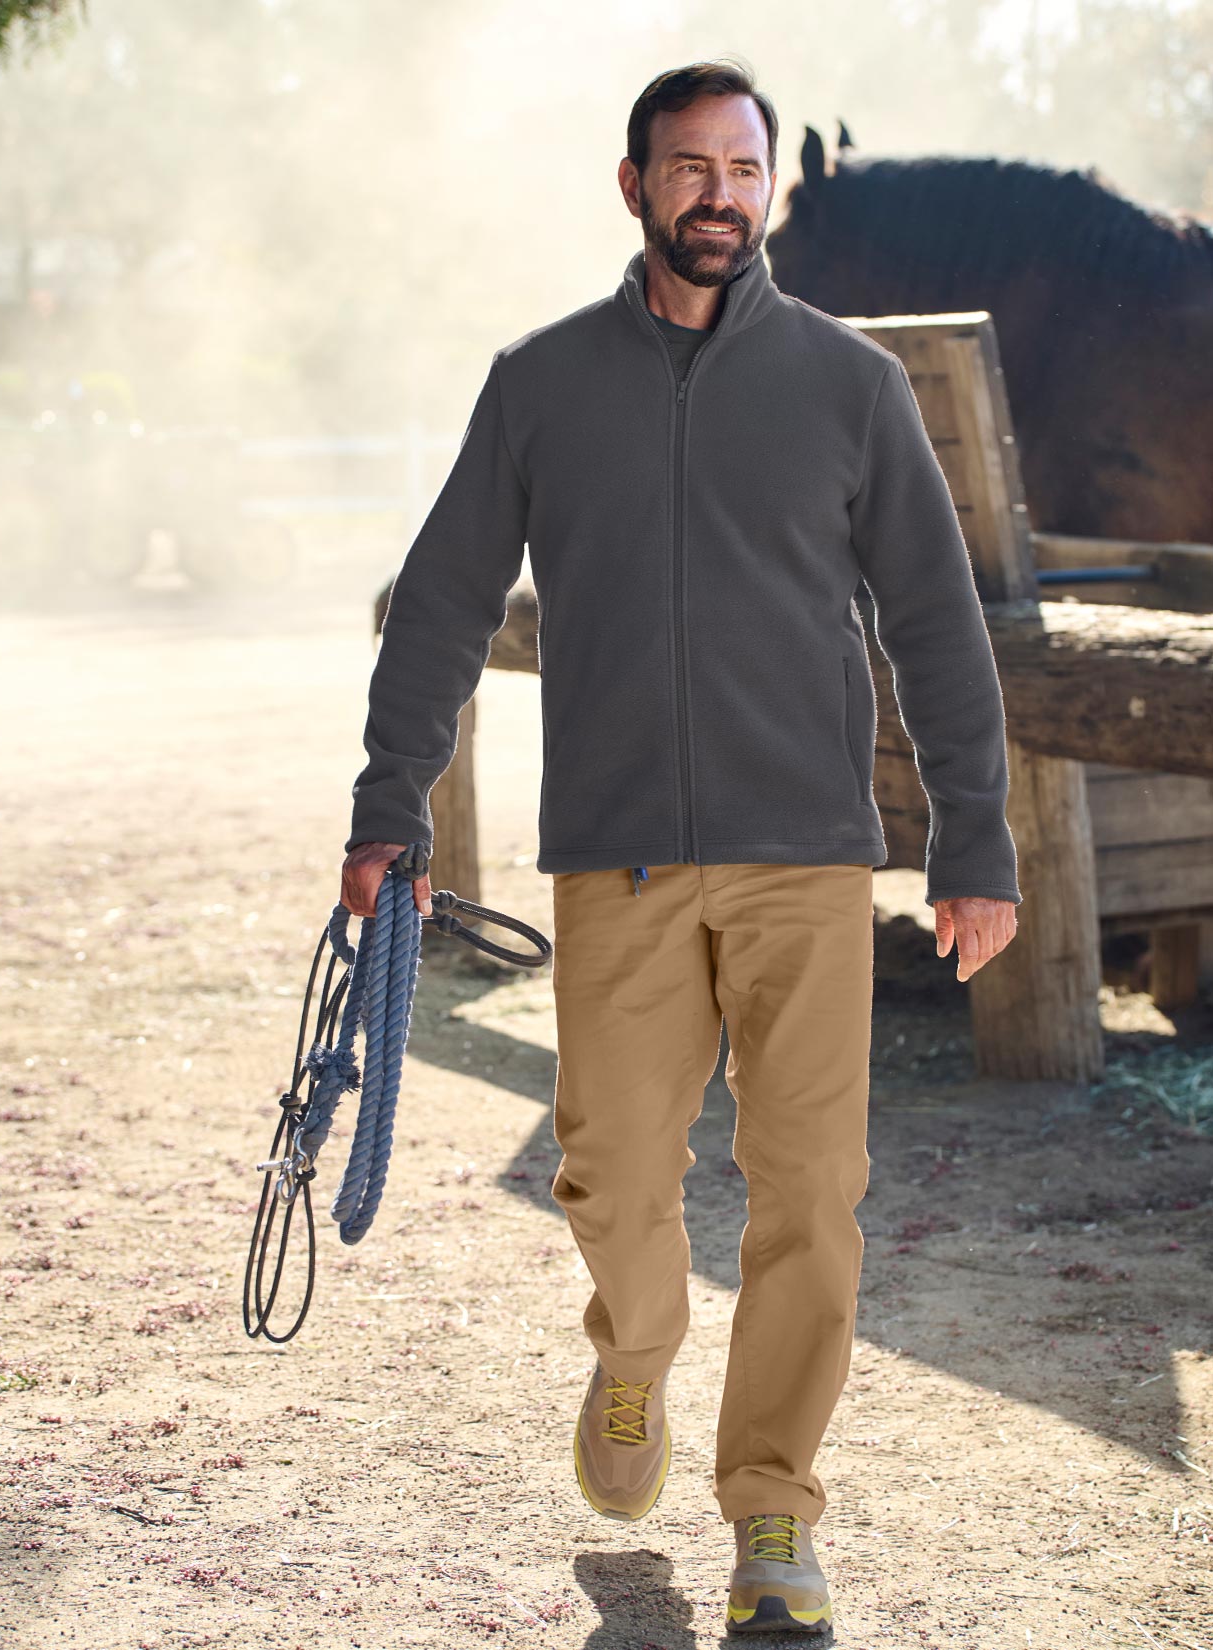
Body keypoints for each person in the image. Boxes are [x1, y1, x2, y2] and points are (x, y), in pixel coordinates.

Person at [340, 57, 1020, 1639]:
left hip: (806, 861)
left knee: (810, 1191)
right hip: (619, 861)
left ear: (768, 188)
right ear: (634, 182)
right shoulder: (540, 382)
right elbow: (439, 601)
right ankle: (632, 1355)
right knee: (616, 1171)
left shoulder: (853, 389)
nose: (721, 193)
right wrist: (391, 809)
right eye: (690, 166)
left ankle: (774, 1511)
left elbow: (934, 619)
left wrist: (973, 842)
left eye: (744, 168)